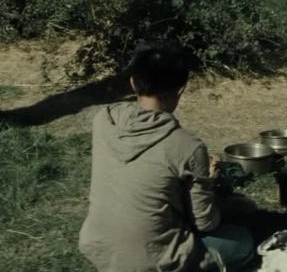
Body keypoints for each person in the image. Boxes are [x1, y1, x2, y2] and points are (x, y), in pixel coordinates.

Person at [78, 43, 254, 271]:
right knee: (242, 241)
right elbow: (205, 222)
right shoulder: (187, 146)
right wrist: (208, 182)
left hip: (99, 247)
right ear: (181, 89)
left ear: (133, 83)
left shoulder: (104, 120)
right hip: (153, 259)